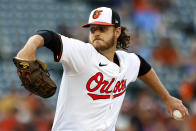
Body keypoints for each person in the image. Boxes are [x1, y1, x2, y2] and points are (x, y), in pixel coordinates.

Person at [15, 7, 189, 131]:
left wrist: (166, 98)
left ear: (117, 32)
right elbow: (48, 36)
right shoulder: (83, 53)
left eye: (103, 29)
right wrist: (28, 50)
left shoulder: (127, 61)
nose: (96, 32)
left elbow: (143, 67)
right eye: (93, 29)